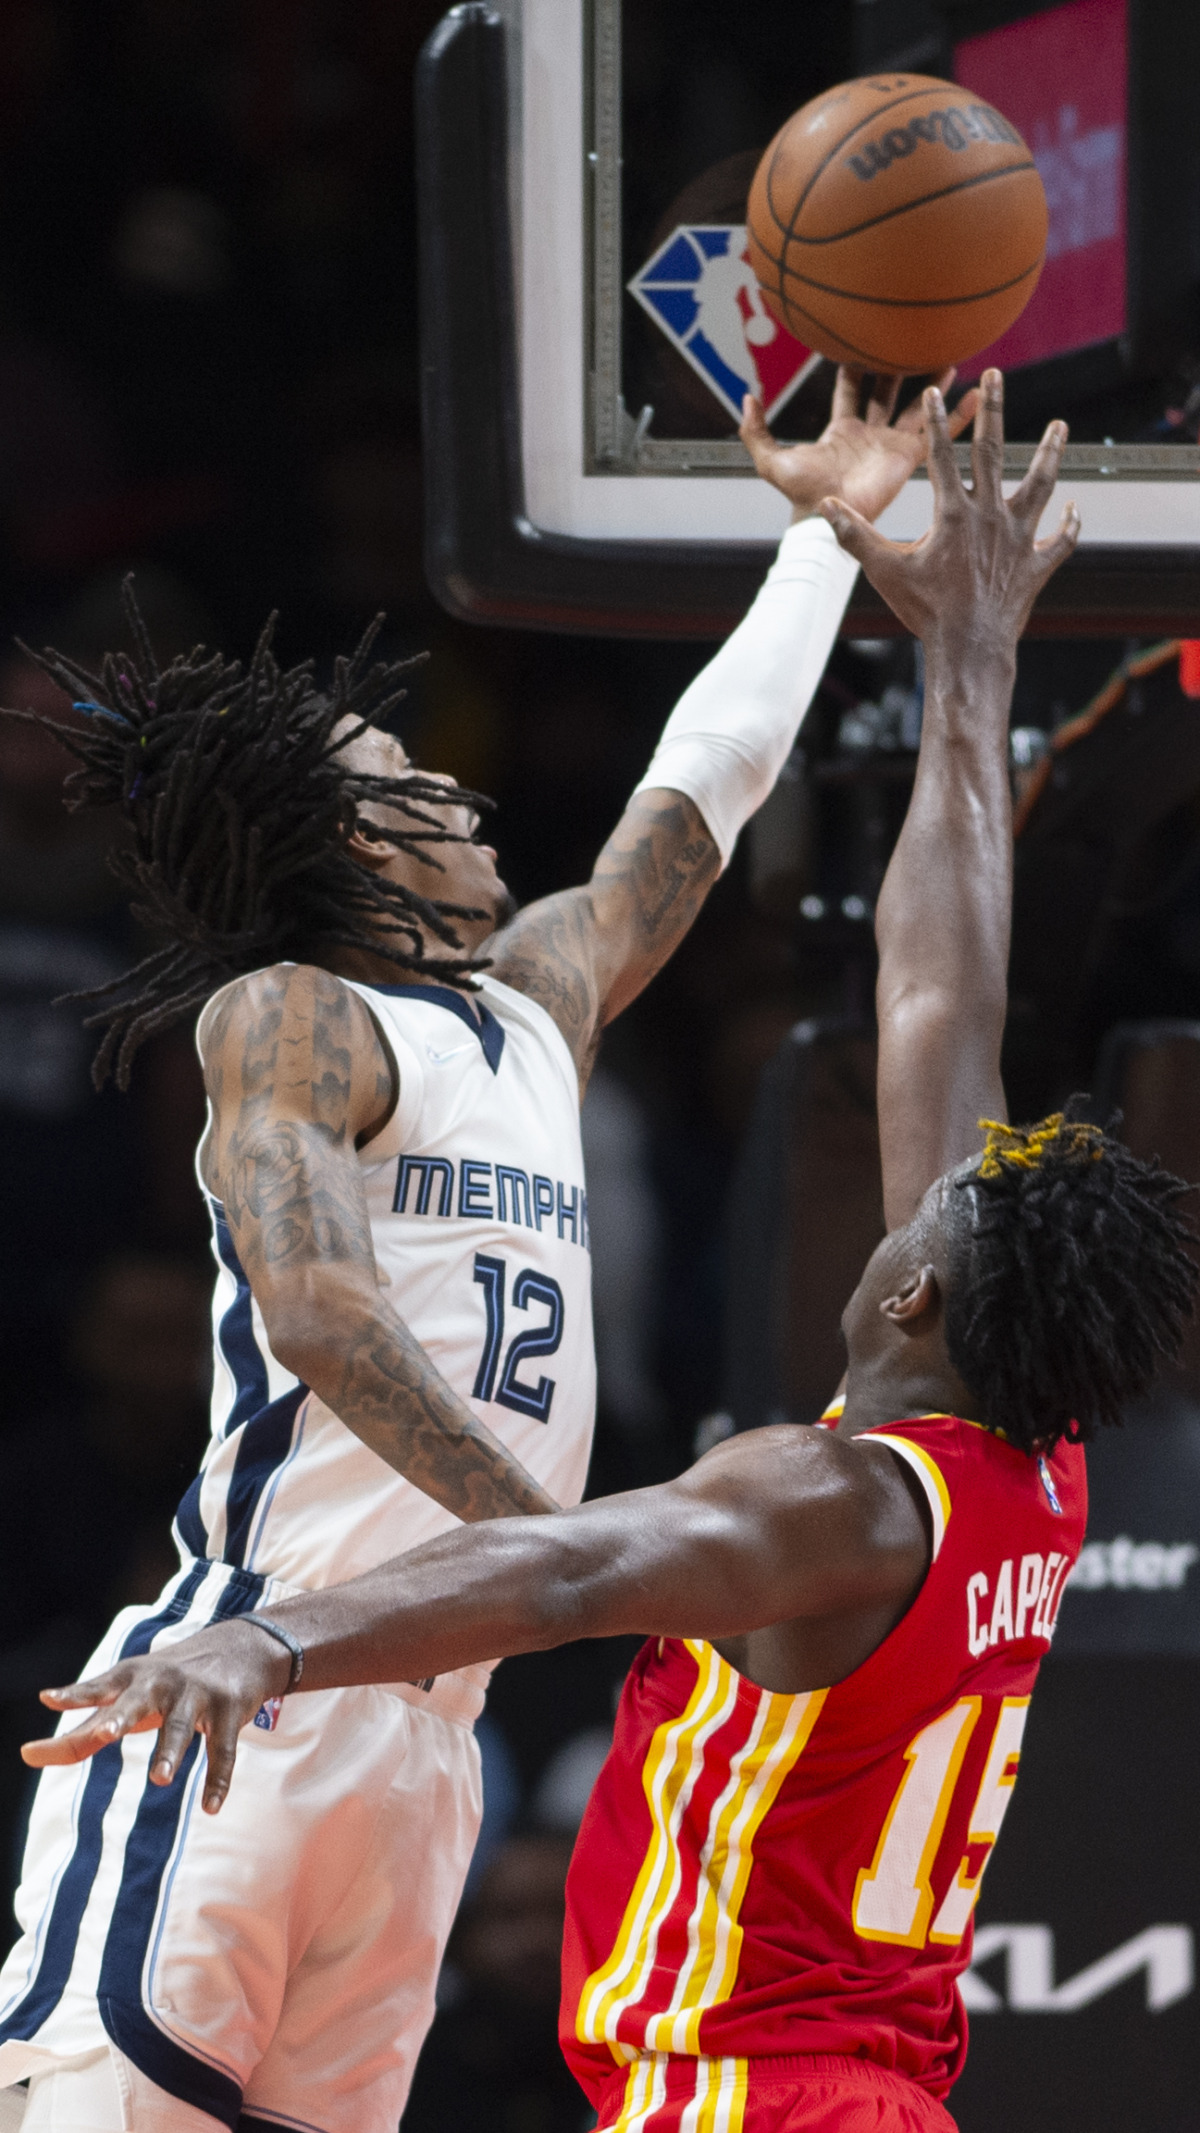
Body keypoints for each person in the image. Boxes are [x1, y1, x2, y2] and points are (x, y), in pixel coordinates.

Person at [25, 377, 1197, 2132]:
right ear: (356, 850)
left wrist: (829, 549)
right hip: (266, 1674)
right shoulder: (297, 1015)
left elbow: (699, 806)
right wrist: (846, 557)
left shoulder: (532, 1011)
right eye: (406, 774)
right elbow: (323, 1306)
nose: (455, 782)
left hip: (436, 1718)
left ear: (919, 1291)